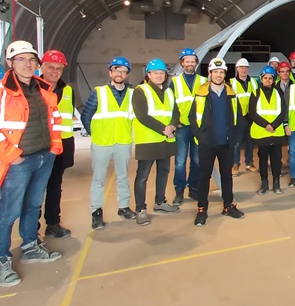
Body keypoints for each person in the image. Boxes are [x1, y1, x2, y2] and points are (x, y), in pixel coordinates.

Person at [0, 41, 64, 287]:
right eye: (21, 59)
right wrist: (13, 156)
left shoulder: (43, 90)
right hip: (17, 162)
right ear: (10, 63)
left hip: (43, 157)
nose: (28, 64)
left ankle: (30, 245)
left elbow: (54, 121)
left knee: (32, 206)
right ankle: (1, 259)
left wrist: (54, 147)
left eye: (31, 60)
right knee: (9, 211)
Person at [82, 56, 137, 229]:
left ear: (127, 75)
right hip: (102, 143)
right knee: (98, 179)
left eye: (123, 71)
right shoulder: (98, 92)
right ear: (110, 72)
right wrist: (95, 133)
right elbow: (86, 115)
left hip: (123, 141)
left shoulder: (132, 93)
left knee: (123, 176)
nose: (120, 73)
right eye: (116, 70)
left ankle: (124, 207)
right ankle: (96, 212)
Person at [190, 58, 244, 227]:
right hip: (207, 143)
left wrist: (234, 138)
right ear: (210, 74)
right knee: (204, 176)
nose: (219, 75)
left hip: (226, 144)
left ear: (225, 74)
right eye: (216, 72)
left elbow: (238, 117)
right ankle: (202, 209)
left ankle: (228, 206)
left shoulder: (231, 93)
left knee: (226, 176)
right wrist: (200, 135)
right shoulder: (201, 93)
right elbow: (193, 118)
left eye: (222, 72)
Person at [131, 59, 180, 226]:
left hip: (165, 140)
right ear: (148, 75)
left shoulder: (168, 92)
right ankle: (140, 209)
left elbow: (176, 111)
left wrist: (173, 125)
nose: (159, 75)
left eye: (162, 73)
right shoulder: (140, 91)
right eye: (155, 73)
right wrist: (164, 129)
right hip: (148, 140)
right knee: (142, 176)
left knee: (164, 171)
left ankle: (160, 202)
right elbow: (142, 115)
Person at [38, 49, 74, 239]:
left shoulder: (67, 90)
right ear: (41, 67)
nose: (54, 71)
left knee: (55, 186)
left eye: (58, 68)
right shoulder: (34, 88)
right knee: (35, 190)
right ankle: (31, 230)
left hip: (61, 145)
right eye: (50, 67)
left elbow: (68, 120)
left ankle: (53, 223)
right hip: (40, 146)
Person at [171, 48, 206, 205]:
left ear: (196, 63)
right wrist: (173, 123)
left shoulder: (204, 81)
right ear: (182, 63)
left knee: (197, 160)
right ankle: (179, 191)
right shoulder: (175, 82)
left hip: (198, 127)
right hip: (182, 127)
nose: (190, 63)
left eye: (193, 61)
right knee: (180, 161)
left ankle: (193, 188)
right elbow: (170, 104)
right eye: (187, 61)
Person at [249, 66, 288, 194]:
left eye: (270, 78)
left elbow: (283, 111)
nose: (268, 80)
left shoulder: (278, 93)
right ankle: (264, 183)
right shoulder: (255, 93)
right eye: (265, 78)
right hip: (262, 132)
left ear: (273, 79)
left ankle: (276, 183)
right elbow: (252, 113)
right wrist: (266, 125)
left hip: (276, 132)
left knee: (277, 159)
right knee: (263, 159)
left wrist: (274, 125)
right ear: (261, 79)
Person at [230, 58, 259, 176]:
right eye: (241, 67)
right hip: (238, 117)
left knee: (249, 141)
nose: (244, 70)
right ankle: (235, 164)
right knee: (236, 142)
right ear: (237, 69)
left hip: (250, 116)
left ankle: (249, 163)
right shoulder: (231, 83)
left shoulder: (253, 82)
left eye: (246, 68)